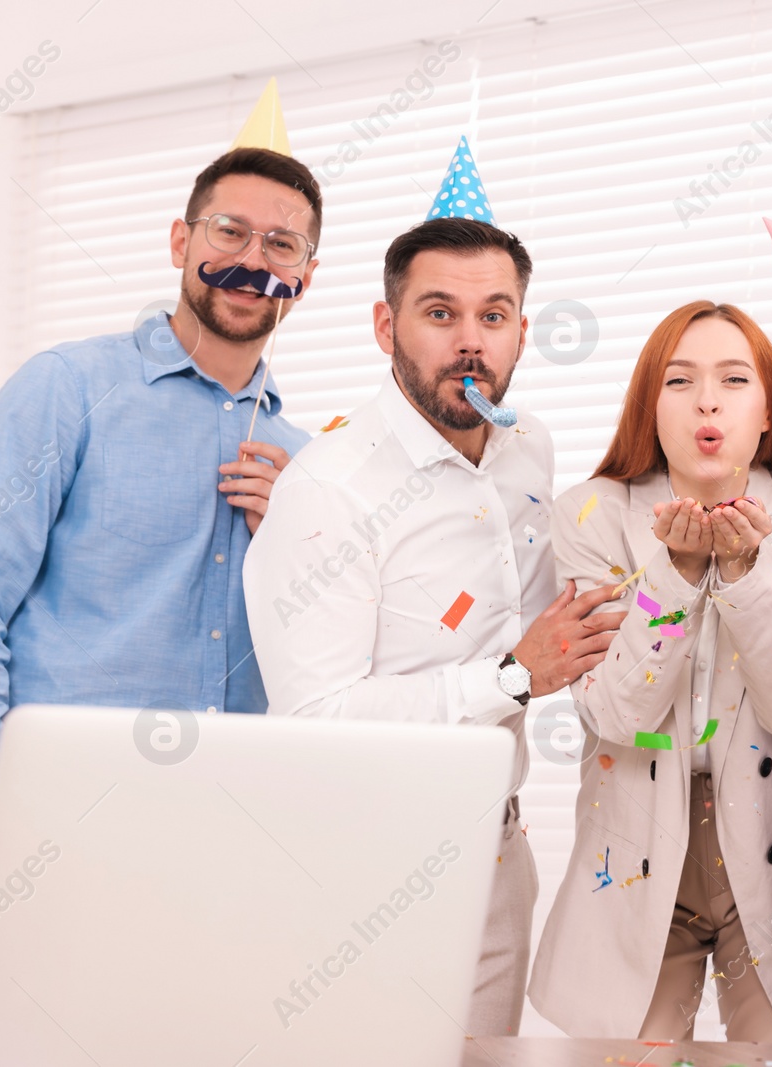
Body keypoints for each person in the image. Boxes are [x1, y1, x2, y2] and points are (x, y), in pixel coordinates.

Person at [243, 216, 625, 1035]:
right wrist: (515, 678)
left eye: (492, 316)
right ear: (387, 326)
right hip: (365, 866)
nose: (469, 343)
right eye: (439, 312)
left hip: (498, 853)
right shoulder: (330, 486)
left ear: (522, 329)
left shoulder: (530, 448)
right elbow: (315, 722)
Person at [0, 147, 317, 900]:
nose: (251, 259)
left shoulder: (310, 469)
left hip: (225, 837)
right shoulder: (66, 388)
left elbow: (325, 669)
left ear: (304, 278)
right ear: (180, 242)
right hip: (51, 821)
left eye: (281, 245)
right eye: (229, 231)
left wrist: (300, 539)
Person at [529, 301, 772, 1042]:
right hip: (632, 859)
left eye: (734, 379)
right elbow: (618, 714)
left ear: (769, 408)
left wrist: (743, 573)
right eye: (680, 381)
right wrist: (674, 574)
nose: (708, 400)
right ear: (652, 403)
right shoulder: (591, 514)